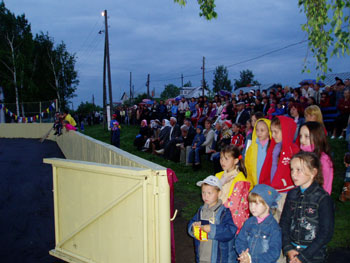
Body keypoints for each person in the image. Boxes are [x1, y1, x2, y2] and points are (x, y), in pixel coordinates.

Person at [280, 152, 334, 263]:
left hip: (314, 255)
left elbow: (326, 233)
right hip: (293, 252)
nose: (293, 174)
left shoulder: (323, 198)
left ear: (313, 172)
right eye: (292, 169)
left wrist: (303, 257)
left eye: (299, 170)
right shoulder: (292, 194)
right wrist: (288, 248)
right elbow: (284, 222)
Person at [188, 175, 237, 263]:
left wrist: (212, 229)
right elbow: (192, 222)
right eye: (203, 192)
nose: (206, 196)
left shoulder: (223, 212)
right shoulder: (201, 210)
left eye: (209, 193)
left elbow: (230, 231)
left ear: (219, 193)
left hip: (217, 258)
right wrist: (193, 227)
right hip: (202, 255)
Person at [259, 116, 299, 220]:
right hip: (273, 189)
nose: (273, 135)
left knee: (283, 215)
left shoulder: (292, 150)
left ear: (285, 131)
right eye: (272, 132)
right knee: (273, 216)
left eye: (276, 132)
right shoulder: (274, 147)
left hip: (285, 192)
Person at [235, 184, 282, 263]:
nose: (252, 207)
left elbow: (274, 253)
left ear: (267, 205)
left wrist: (251, 259)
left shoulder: (274, 227)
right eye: (250, 203)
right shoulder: (249, 222)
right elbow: (240, 240)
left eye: (256, 204)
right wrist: (244, 255)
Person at [215, 145, 251, 232]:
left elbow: (234, 204)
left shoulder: (241, 180)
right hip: (218, 214)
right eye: (221, 158)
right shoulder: (218, 176)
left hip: (231, 220)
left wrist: (217, 208)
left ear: (235, 161)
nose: (222, 162)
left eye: (226, 159)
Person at [299, 122, 333, 195]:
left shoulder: (323, 159)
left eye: (306, 136)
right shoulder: (301, 155)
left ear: (317, 137)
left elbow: (326, 184)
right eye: (300, 136)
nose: (302, 140)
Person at [245, 118, 271, 188]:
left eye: (262, 130)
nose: (259, 133)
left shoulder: (272, 148)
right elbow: (248, 167)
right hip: (255, 184)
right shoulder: (252, 147)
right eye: (257, 130)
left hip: (269, 186)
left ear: (269, 131)